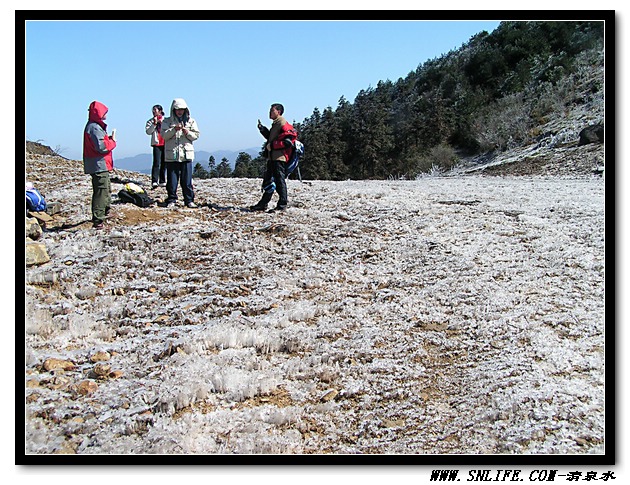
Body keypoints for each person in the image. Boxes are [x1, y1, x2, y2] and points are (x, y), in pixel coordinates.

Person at [249, 103, 297, 212]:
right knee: (268, 181)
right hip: (273, 157)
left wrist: (273, 146)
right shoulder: (276, 124)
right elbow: (272, 137)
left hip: (279, 158)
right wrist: (262, 129)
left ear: (278, 112)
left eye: (272, 110)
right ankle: (263, 204)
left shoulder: (282, 123)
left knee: (279, 181)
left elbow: (288, 142)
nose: (269, 112)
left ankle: (282, 205)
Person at [83, 100, 117, 229]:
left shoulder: (93, 126)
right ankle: (98, 219)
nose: (106, 115)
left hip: (99, 164)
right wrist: (112, 141)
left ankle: (105, 211)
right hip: (98, 164)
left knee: (105, 188)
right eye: (104, 113)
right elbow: (101, 147)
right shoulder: (94, 127)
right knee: (101, 191)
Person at [161, 98, 200, 208]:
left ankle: (189, 200)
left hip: (186, 155)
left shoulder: (191, 121)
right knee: (172, 181)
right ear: (173, 109)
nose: (180, 111)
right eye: (177, 109)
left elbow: (196, 135)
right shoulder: (166, 122)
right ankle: (171, 199)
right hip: (172, 155)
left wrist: (187, 132)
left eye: (182, 109)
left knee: (187, 181)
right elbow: (163, 135)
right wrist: (174, 130)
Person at [145, 104, 166, 189]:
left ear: (160, 111)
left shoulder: (165, 120)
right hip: (156, 143)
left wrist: (161, 123)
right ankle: (154, 180)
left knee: (164, 162)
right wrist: (154, 124)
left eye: (155, 110)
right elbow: (148, 131)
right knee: (156, 162)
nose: (154, 112)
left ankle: (162, 180)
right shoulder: (150, 121)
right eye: (153, 110)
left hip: (165, 142)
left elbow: (169, 128)